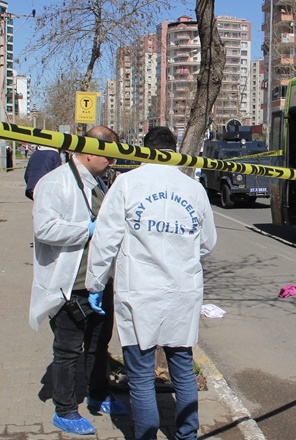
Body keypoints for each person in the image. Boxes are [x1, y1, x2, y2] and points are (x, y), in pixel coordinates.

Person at [86, 126, 217, 440]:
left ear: (144, 150)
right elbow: (208, 242)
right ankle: (187, 434)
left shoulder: (127, 183)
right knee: (182, 368)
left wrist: (95, 282)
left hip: (139, 291)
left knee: (142, 375)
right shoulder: (193, 189)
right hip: (181, 291)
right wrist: (180, 253)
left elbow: (105, 240)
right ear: (174, 151)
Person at [29, 125, 127, 436]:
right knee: (68, 349)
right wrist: (88, 229)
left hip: (99, 282)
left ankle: (99, 395)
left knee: (99, 345)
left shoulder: (98, 181)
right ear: (89, 151)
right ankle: (65, 408)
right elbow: (44, 229)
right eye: (108, 156)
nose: (112, 162)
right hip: (70, 284)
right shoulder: (54, 182)